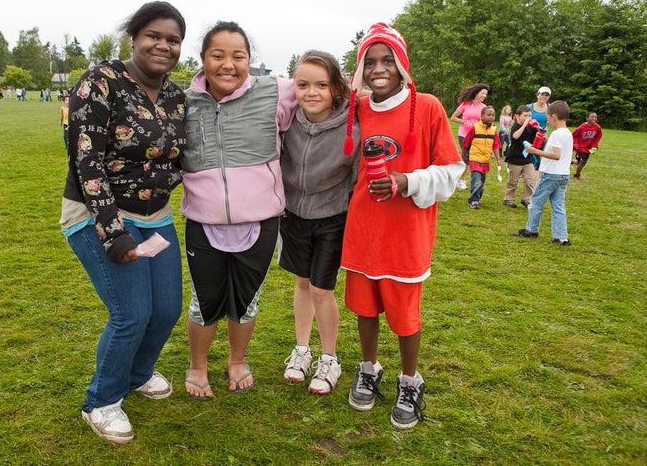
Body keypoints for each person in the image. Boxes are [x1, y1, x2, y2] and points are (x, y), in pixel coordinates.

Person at [60, 1, 187, 444]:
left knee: (167, 309)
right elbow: (85, 161)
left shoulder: (175, 95)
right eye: (154, 35)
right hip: (99, 213)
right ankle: (101, 401)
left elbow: (181, 157)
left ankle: (137, 373)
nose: (163, 46)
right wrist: (113, 233)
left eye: (173, 40)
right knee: (132, 313)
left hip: (155, 215)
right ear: (133, 37)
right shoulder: (100, 83)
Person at [340, 24, 464, 429]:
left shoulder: (426, 106)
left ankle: (410, 380)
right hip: (363, 228)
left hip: (406, 233)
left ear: (402, 64)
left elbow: (452, 170)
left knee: (405, 315)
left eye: (387, 60)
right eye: (370, 61)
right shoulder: (355, 107)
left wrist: (406, 181)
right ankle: (369, 367)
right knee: (364, 307)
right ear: (360, 68)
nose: (379, 68)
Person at [180, 21, 296, 399]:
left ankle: (237, 360)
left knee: (246, 300)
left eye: (238, 56)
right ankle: (197, 366)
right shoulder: (183, 103)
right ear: (202, 60)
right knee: (204, 300)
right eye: (218, 55)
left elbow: (327, 88)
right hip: (203, 222)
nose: (228, 65)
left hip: (260, 222)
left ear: (250, 60)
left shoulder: (275, 93)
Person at [279, 50, 359, 395]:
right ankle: (301, 350)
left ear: (336, 88)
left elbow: (357, 182)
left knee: (322, 290)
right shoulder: (286, 121)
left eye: (321, 85)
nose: (311, 92)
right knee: (301, 284)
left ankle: (330, 357)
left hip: (331, 220)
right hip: (294, 216)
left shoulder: (351, 128)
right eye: (303, 84)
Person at [515, 101, 572, 245]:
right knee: (558, 205)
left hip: (550, 174)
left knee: (535, 202)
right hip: (563, 175)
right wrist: (546, 141)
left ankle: (531, 230)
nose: (547, 120)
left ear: (553, 116)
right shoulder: (567, 133)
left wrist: (534, 151)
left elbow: (556, 155)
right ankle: (561, 237)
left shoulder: (557, 134)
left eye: (547, 116)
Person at [450, 83, 490, 190]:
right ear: (477, 93)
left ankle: (459, 177)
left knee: (472, 158)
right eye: (482, 93)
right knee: (466, 158)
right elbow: (453, 118)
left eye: (486, 94)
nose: (484, 96)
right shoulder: (466, 104)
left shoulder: (484, 108)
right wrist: (464, 122)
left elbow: (486, 123)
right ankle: (461, 180)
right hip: (463, 135)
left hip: (477, 136)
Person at [461, 106, 502, 209]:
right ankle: (473, 200)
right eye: (488, 115)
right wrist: (464, 156)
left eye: (493, 115)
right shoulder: (475, 128)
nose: (491, 117)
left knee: (482, 182)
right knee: (476, 180)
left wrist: (498, 159)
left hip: (486, 160)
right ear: (482, 116)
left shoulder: (494, 130)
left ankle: (477, 198)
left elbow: (496, 145)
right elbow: (466, 143)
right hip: (475, 158)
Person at [503, 105, 540, 208]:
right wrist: (524, 124)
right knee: (513, 181)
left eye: (530, 115)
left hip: (528, 159)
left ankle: (526, 199)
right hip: (515, 158)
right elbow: (515, 136)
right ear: (517, 116)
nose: (528, 118)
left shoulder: (532, 127)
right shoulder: (515, 126)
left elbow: (537, 141)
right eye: (525, 115)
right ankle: (509, 199)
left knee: (530, 179)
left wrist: (538, 130)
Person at [572, 111, 602, 179]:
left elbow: (597, 137)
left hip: (589, 148)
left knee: (582, 162)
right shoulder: (582, 127)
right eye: (592, 117)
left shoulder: (597, 127)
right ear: (587, 118)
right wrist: (575, 144)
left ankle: (573, 162)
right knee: (583, 161)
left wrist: (595, 146)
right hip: (580, 148)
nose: (594, 118)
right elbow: (574, 136)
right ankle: (577, 175)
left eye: (595, 117)